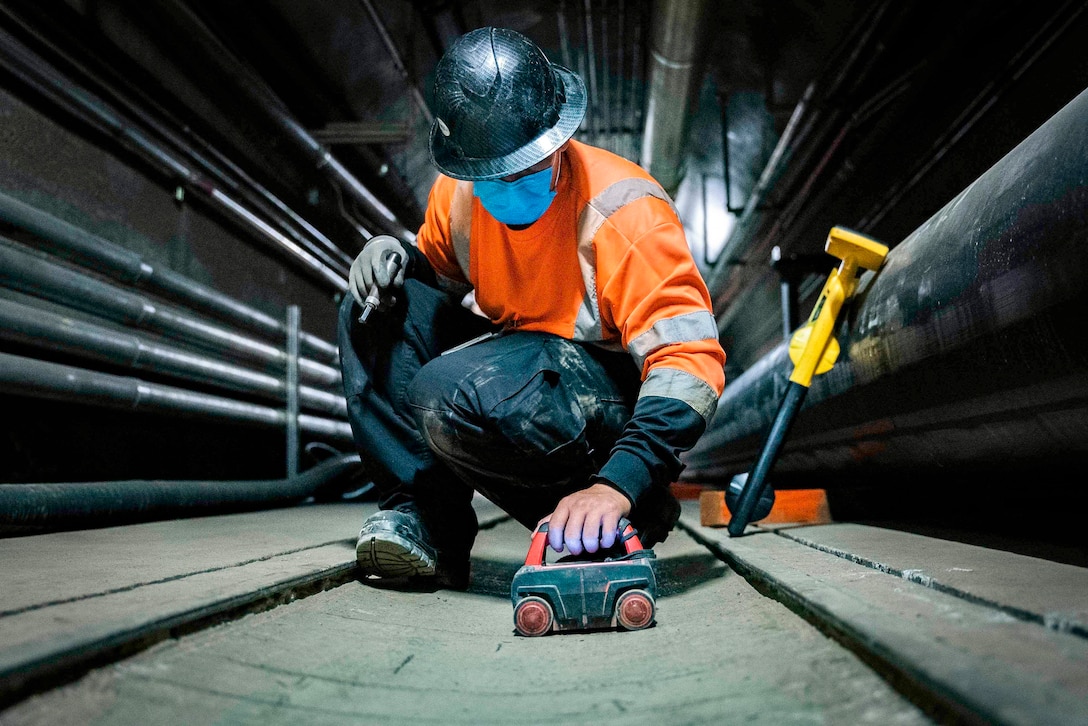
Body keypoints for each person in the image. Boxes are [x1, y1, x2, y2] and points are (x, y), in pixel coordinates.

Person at [338, 26, 725, 589]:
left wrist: (620, 482)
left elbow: (689, 363)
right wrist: (395, 255)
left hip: (601, 407)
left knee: (448, 391)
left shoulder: (624, 212)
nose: (508, 186)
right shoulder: (461, 193)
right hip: (522, 367)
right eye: (494, 175)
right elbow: (436, 274)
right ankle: (428, 526)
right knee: (371, 310)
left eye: (526, 168)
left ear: (557, 142)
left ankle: (616, 517)